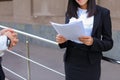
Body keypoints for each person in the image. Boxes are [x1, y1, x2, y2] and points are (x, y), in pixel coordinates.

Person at [56, 0, 113, 80]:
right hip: (71, 61)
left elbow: (109, 43)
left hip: (90, 64)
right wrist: (62, 41)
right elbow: (68, 37)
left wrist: (93, 42)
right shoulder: (70, 12)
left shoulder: (103, 13)